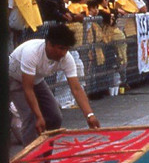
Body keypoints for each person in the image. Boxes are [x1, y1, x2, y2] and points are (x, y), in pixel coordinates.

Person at [9, 24, 101, 153]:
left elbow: (76, 88)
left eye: (66, 49)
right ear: (49, 44)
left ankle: (47, 158)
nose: (63, 53)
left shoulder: (66, 58)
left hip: (37, 79)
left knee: (55, 116)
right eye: (61, 48)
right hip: (16, 79)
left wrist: (89, 115)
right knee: (30, 117)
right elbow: (28, 88)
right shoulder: (32, 52)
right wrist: (39, 116)